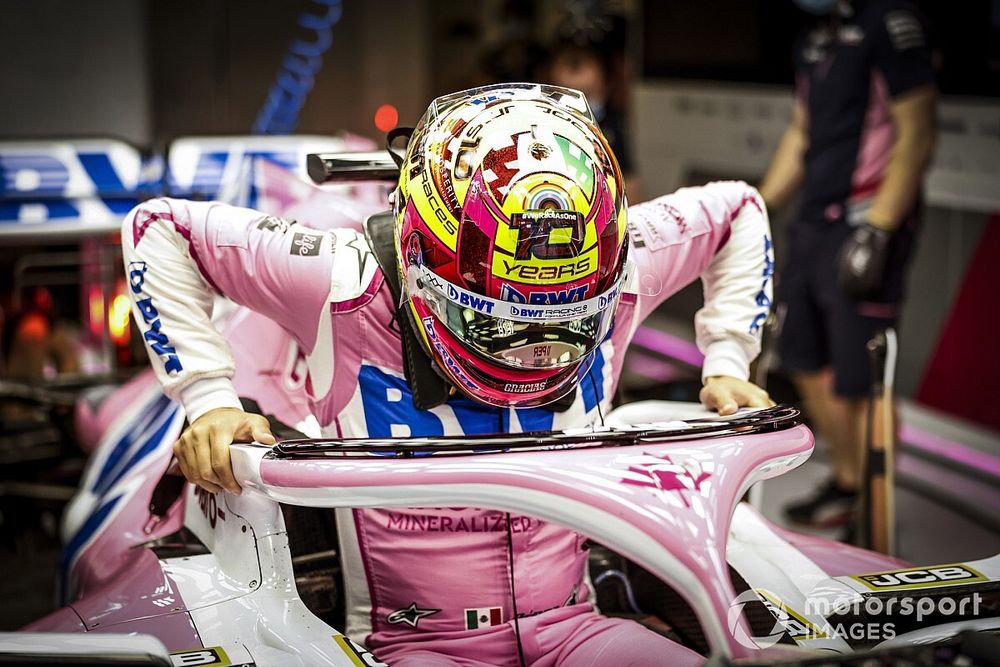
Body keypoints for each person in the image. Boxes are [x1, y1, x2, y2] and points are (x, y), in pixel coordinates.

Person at [123, 83, 774, 666]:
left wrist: (727, 361)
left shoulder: (628, 263)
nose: (535, 350)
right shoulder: (343, 280)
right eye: (498, 321)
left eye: (567, 319)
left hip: (575, 626)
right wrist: (208, 399)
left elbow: (740, 209)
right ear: (420, 260)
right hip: (410, 645)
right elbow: (158, 226)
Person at [758, 0, 936, 531]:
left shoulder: (892, 22)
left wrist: (879, 228)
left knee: (863, 379)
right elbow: (800, 130)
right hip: (811, 223)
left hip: (864, 221)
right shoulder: (815, 34)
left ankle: (873, 515)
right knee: (804, 363)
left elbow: (918, 131)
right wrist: (758, 203)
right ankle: (848, 482)